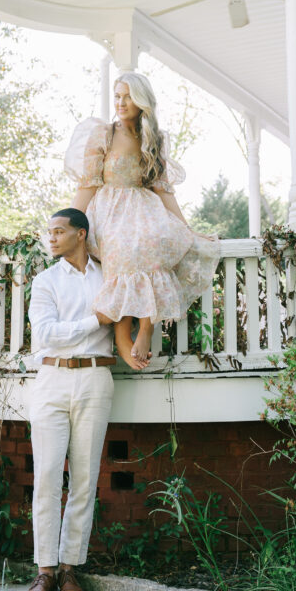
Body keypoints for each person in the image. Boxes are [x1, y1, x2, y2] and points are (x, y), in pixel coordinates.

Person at [65, 71, 220, 370]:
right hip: (110, 207)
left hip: (143, 206)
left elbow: (162, 187)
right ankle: (123, 339)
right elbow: (88, 183)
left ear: (142, 101)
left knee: (153, 242)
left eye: (128, 97)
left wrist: (187, 228)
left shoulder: (154, 138)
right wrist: (70, 223)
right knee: (124, 249)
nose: (121, 103)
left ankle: (147, 328)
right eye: (118, 96)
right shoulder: (104, 134)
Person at [23, 207, 115, 591]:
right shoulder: (45, 281)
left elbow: (128, 311)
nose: (52, 238)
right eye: (50, 232)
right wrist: (95, 320)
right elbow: (45, 335)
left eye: (59, 231)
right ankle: (44, 571)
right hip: (52, 380)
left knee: (84, 478)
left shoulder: (108, 276)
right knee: (45, 476)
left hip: (96, 378)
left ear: (81, 234)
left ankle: (69, 569)